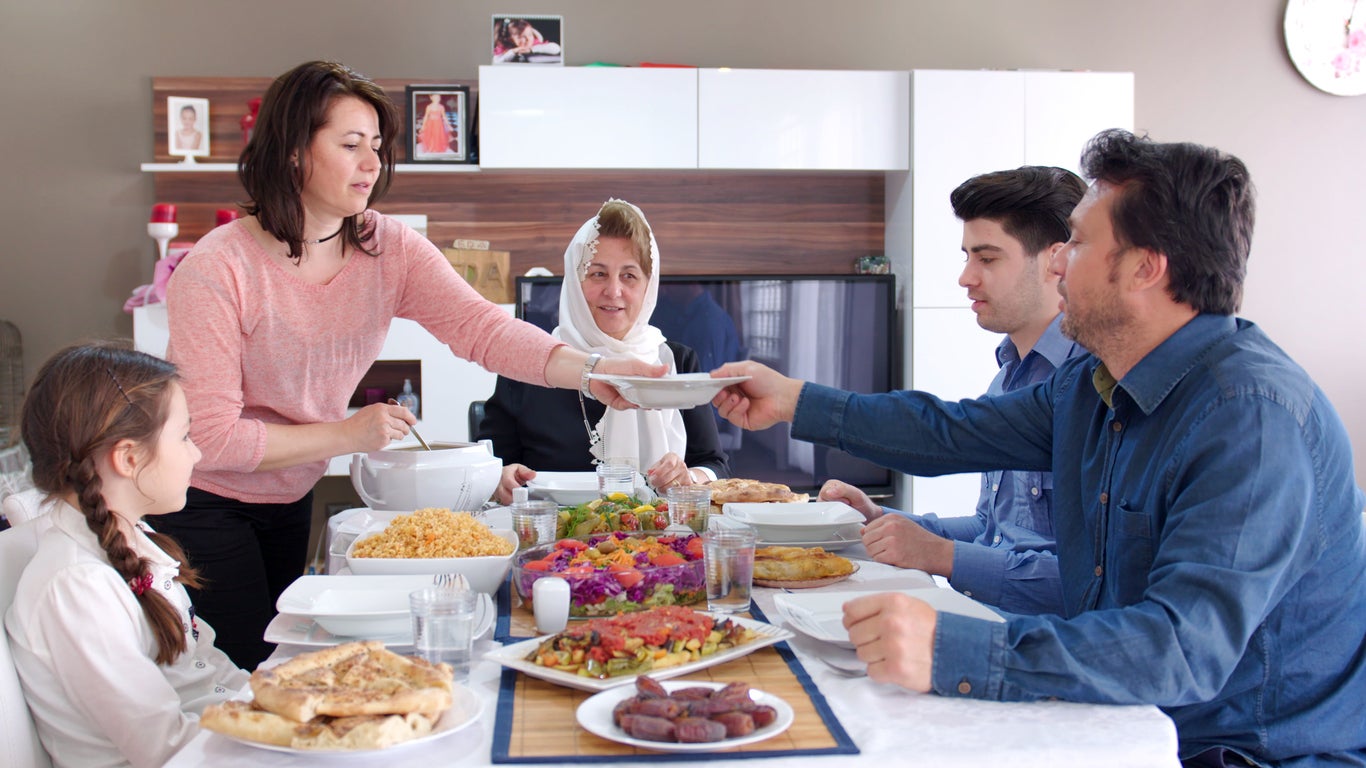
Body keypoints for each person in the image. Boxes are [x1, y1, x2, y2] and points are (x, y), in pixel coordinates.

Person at [710, 130, 1366, 765]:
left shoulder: (1251, 416)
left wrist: (954, 649)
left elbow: (1181, 648)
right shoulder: (1095, 383)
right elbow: (953, 431)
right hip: (1119, 716)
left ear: (1145, 268)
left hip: (1234, 751)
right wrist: (794, 399)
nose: (1057, 261)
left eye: (1076, 244)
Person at [158, 61, 658, 670]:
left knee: (281, 656)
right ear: (292, 152)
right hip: (207, 502)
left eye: (376, 146)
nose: (372, 164)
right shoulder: (218, 269)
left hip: (291, 493)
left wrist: (588, 371)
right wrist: (348, 433)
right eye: (350, 145)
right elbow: (208, 438)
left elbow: (482, 328)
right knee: (243, 667)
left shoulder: (384, 246)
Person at [820, 166, 1086, 616]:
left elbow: (1088, 584)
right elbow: (992, 528)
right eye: (967, 256)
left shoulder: (1090, 387)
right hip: (982, 621)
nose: (965, 278)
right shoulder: (1006, 379)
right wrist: (881, 520)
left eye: (987, 259)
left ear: (1054, 261)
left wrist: (940, 556)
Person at [4, 341, 247, 767]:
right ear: (129, 457)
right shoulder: (78, 587)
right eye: (185, 436)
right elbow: (165, 746)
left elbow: (208, 670)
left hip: (217, 740)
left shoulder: (132, 538)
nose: (197, 452)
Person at [479, 199, 729, 504]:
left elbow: (715, 464)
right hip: (553, 544)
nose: (613, 291)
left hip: (658, 543)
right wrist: (500, 478)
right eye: (598, 274)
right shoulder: (530, 363)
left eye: (629, 275)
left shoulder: (676, 362)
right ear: (574, 279)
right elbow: (488, 468)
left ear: (648, 285)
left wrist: (689, 477)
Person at [493, 17, 562, 63]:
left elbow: (556, 48)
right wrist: (513, 51)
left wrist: (531, 50)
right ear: (510, 39)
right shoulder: (507, 50)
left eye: (530, 35)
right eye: (521, 37)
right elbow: (495, 61)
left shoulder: (535, 45)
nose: (528, 39)